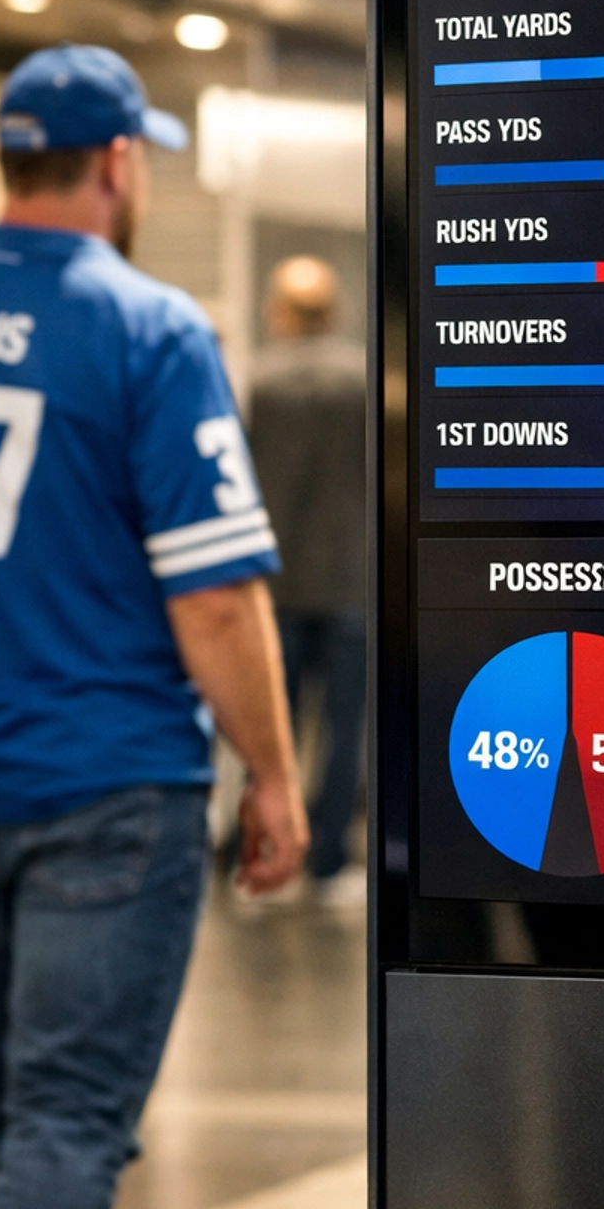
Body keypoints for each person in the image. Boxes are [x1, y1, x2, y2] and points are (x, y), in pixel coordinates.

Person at [0, 45, 308, 1209]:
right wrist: (278, 779)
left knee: (4, 1101)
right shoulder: (149, 328)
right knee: (70, 1115)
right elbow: (218, 602)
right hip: (107, 781)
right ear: (114, 165)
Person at [247, 257, 367, 908]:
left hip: (275, 586)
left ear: (282, 312)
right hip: (353, 581)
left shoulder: (257, 383)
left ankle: (270, 863)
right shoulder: (365, 381)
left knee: (272, 734)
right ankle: (328, 866)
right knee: (348, 731)